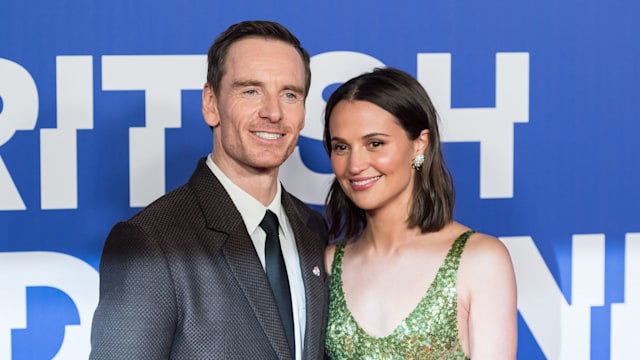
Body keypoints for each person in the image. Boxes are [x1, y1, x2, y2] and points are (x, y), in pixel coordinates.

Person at [89, 20, 328, 360]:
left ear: (303, 113)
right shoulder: (150, 241)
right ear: (211, 104)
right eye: (250, 91)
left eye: (289, 94)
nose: (273, 112)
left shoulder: (313, 229)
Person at [322, 67, 517, 359]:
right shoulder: (328, 262)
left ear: (419, 145)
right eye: (341, 147)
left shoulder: (480, 259)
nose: (355, 165)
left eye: (375, 143)